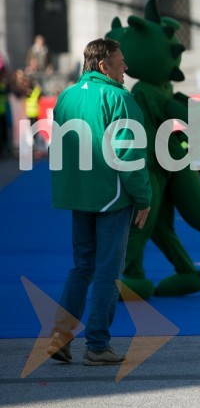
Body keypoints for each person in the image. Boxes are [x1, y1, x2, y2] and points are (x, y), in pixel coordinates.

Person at [47, 38, 152, 366]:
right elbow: (128, 154)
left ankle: (60, 336)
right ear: (104, 65)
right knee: (108, 270)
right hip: (112, 195)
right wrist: (144, 197)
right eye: (121, 62)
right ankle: (97, 344)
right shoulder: (119, 97)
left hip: (79, 195)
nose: (126, 68)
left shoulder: (66, 96)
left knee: (82, 266)